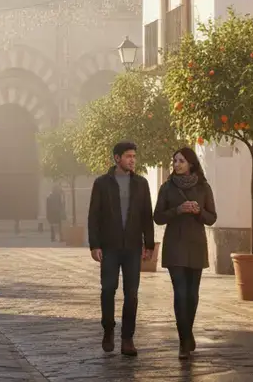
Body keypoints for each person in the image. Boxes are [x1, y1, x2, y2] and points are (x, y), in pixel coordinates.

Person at [87, 142, 155, 357]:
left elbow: (147, 216)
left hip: (133, 247)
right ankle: (108, 329)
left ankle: (128, 338)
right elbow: (94, 216)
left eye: (134, 156)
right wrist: (95, 245)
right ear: (117, 158)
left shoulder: (142, 184)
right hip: (109, 247)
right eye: (128, 156)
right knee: (108, 290)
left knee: (131, 294)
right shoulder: (101, 184)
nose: (132, 160)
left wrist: (150, 245)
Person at [153, 146, 218, 359]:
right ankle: (184, 341)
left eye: (181, 161)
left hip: (196, 245)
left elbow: (212, 217)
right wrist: (178, 210)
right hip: (175, 246)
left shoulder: (203, 187)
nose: (176, 164)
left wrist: (199, 211)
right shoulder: (167, 188)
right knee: (180, 293)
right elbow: (158, 217)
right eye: (175, 161)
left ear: (190, 163)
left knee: (192, 294)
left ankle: (187, 333)